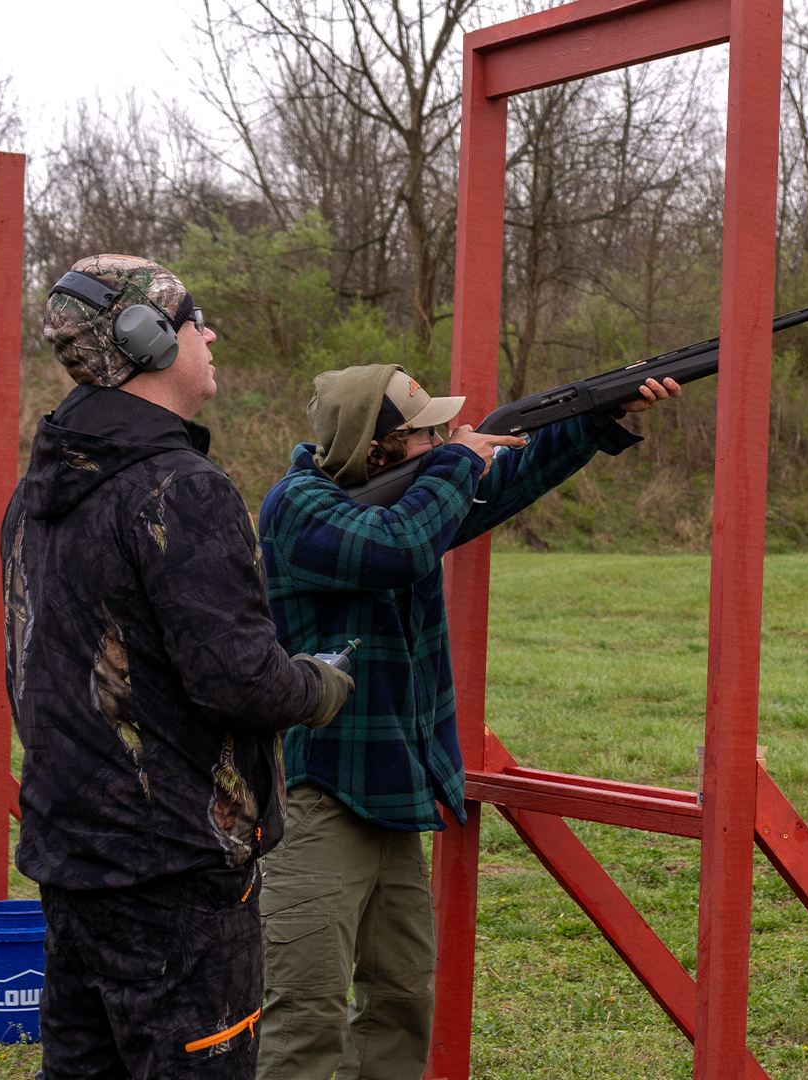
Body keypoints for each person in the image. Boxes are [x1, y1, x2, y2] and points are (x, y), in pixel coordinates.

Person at [254, 363, 680, 1078]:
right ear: (377, 446)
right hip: (318, 795)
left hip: (391, 791)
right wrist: (457, 463)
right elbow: (396, 547)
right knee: (306, 1011)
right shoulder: (297, 508)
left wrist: (598, 413)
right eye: (427, 434)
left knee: (401, 999)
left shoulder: (413, 496)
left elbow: (497, 488)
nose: (447, 438)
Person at [2, 254, 355, 1079]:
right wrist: (319, 684)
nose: (210, 335)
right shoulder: (178, 489)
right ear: (148, 340)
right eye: (195, 320)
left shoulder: (39, 488)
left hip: (72, 860)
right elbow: (240, 681)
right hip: (176, 875)